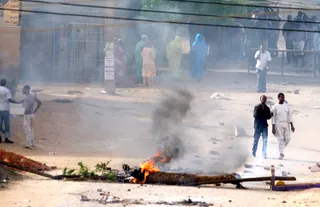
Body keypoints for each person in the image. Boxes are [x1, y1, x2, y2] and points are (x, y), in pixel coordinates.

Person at [271, 93, 295, 160]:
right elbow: (273, 117)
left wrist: (292, 126)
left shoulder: (287, 106)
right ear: (278, 98)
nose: (282, 99)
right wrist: (273, 127)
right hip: (278, 124)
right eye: (281, 97)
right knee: (280, 138)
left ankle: (280, 150)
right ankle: (281, 153)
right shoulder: (275, 107)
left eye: (283, 97)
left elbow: (290, 116)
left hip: (286, 124)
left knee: (288, 138)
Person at [0, 79, 21, 144]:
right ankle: (6, 138)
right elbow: (9, 100)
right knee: (7, 125)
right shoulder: (7, 90)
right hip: (5, 109)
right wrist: (17, 103)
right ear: (5, 83)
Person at [22, 85, 42, 149]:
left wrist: (25, 111)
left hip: (28, 115)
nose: (23, 90)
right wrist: (34, 111)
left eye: (24, 89)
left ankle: (28, 144)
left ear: (27, 89)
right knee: (31, 129)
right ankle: (33, 143)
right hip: (32, 114)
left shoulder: (28, 97)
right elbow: (39, 102)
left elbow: (30, 104)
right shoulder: (32, 96)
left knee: (27, 129)